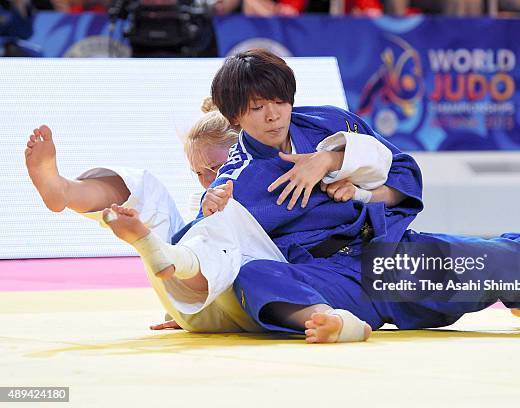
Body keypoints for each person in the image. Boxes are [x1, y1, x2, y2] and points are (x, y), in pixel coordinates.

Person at [174, 48, 520, 338]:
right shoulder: (237, 176)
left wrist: (335, 165)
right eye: (257, 107)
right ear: (234, 116)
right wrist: (192, 306)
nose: (273, 114)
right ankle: (324, 321)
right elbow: (196, 249)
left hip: (387, 258)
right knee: (254, 277)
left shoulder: (327, 124)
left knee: (512, 258)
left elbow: (403, 174)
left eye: (279, 101)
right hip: (328, 283)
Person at [25, 98, 394, 342]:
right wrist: (181, 299)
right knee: (150, 193)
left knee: (226, 226)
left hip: (273, 285)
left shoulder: (283, 174)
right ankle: (66, 191)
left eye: (216, 168)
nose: (207, 180)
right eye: (198, 172)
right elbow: (200, 237)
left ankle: (163, 255)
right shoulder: (203, 197)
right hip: (204, 289)